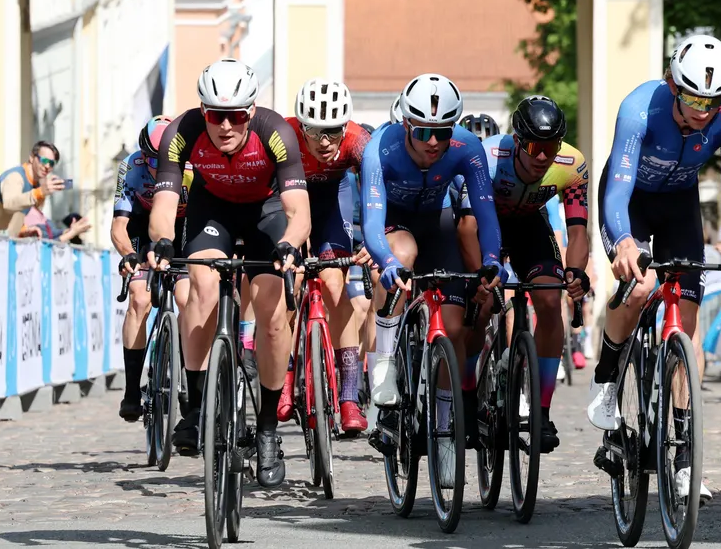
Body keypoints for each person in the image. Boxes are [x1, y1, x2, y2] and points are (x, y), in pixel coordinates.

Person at [590, 34, 721, 503]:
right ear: (671, 84)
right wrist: (623, 240)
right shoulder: (639, 108)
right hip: (630, 203)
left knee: (685, 317)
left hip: (680, 203)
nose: (703, 110)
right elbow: (618, 188)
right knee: (641, 286)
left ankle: (684, 460)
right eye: (692, 98)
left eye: (713, 101)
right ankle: (606, 380)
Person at [147, 58, 309, 489]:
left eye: (235, 116)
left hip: (266, 214)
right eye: (215, 115)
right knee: (200, 285)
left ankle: (269, 432)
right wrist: (163, 241)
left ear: (250, 112)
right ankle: (197, 405)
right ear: (203, 112)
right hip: (211, 211)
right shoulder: (182, 132)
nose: (224, 125)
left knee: (273, 315)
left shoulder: (277, 132)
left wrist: (290, 244)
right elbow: (163, 207)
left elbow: (299, 211)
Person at [360, 72, 505, 488]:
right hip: (394, 225)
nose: (433, 142)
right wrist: (385, 259)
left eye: (442, 132)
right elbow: (372, 223)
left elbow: (485, 214)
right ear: (406, 124)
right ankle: (385, 365)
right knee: (401, 258)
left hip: (436, 222)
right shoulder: (380, 149)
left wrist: (492, 260)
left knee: (455, 326)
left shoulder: (467, 147)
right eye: (423, 131)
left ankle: (445, 430)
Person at [459, 96, 591, 453]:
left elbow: (578, 232)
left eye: (550, 147)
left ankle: (542, 411)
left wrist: (576, 271)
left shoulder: (572, 164)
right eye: (534, 146)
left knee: (549, 301)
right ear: (517, 140)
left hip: (529, 227)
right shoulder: (487, 156)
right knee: (482, 307)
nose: (542, 157)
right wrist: (480, 276)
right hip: (486, 224)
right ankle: (467, 396)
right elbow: (470, 225)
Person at [277, 78, 371, 435]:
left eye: (333, 130)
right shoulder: (283, 134)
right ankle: (285, 376)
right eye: (316, 132)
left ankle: (348, 397)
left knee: (334, 284)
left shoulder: (357, 139)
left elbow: (379, 185)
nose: (327, 141)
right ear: (301, 127)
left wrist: (377, 237)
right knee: (290, 282)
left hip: (333, 198)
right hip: (288, 200)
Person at [111, 116, 192, 422]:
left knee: (187, 298)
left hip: (184, 226)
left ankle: (189, 387)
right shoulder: (130, 167)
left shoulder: (193, 170)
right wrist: (130, 255)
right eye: (153, 161)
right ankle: (132, 390)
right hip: (143, 226)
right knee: (139, 297)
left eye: (167, 161)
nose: (161, 168)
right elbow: (119, 226)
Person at [0, 141, 67, 235]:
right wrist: (40, 192)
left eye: (51, 163)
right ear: (31, 157)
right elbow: (10, 205)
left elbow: (15, 216)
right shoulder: (15, 176)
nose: (47, 166)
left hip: (1, 243)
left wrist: (24, 230)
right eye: (44, 160)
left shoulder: (35, 185)